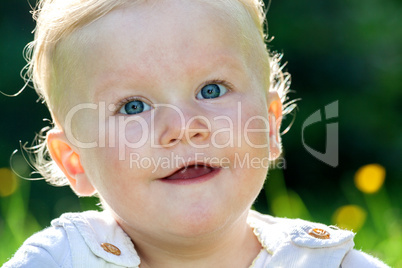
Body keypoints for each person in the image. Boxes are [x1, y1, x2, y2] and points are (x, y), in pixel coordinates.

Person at [3, 0, 390, 267]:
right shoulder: (58, 261)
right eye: (133, 106)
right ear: (75, 161)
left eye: (212, 89)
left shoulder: (327, 262)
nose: (183, 126)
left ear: (270, 125)